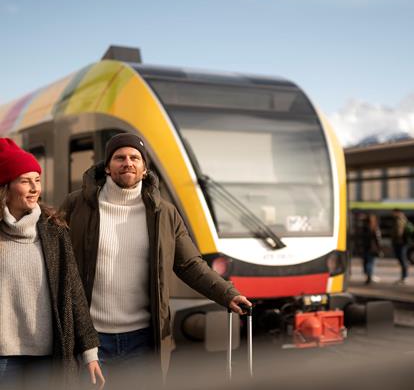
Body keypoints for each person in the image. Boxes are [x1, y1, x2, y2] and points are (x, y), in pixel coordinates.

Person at [60, 133, 251, 386]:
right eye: (119, 158)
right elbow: (55, 259)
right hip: (90, 339)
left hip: (144, 339)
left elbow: (189, 264)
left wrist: (227, 294)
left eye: (134, 158)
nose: (127, 162)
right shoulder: (76, 205)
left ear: (144, 168)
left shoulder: (164, 213)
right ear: (107, 167)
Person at [0, 138, 105, 389]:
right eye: (25, 181)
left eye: (37, 179)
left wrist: (90, 354)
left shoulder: (54, 230)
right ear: (6, 186)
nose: (35, 187)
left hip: (49, 356)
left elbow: (74, 292)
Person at [391, 208, 410, 284]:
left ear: (397, 212)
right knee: (402, 260)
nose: (392, 214)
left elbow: (399, 232)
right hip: (401, 243)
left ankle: (404, 277)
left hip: (400, 243)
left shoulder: (400, 220)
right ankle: (403, 277)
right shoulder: (402, 219)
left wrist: (396, 239)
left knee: (403, 260)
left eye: (393, 212)